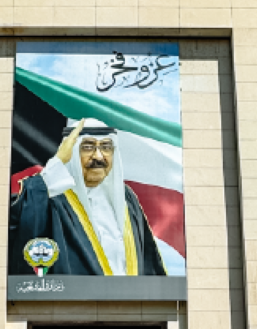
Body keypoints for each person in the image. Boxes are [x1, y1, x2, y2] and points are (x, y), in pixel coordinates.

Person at [9, 119, 167, 277]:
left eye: (106, 147)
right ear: (70, 152)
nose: (98, 156)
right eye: (88, 147)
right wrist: (54, 170)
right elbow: (18, 233)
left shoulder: (125, 198)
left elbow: (149, 264)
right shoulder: (51, 197)